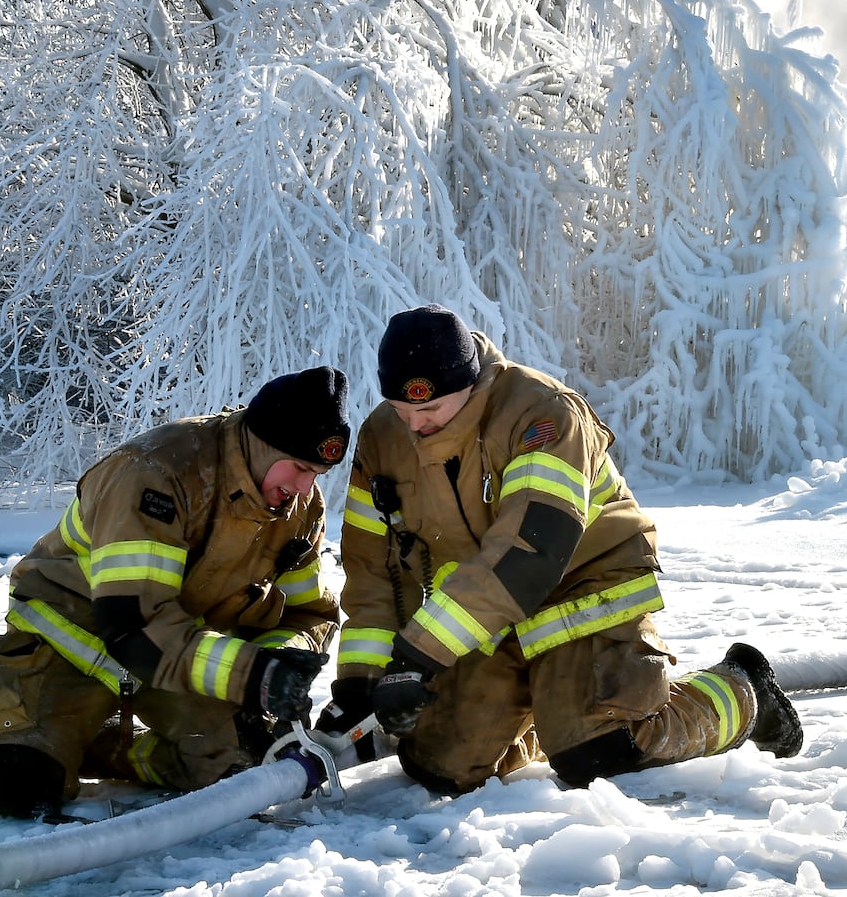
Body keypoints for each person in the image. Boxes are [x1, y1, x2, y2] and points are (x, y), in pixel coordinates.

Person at [316, 305, 802, 793]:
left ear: (467, 384)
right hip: (482, 612)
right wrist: (362, 681)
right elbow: (375, 573)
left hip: (583, 584)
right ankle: (547, 708)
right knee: (436, 766)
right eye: (402, 412)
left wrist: (417, 656)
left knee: (595, 753)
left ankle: (743, 693)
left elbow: (532, 551)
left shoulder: (541, 414)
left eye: (429, 409)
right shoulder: (383, 438)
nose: (415, 426)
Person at [0, 366, 351, 819]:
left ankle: (87, 738)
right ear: (261, 441)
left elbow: (305, 612)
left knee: (246, 763)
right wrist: (253, 675)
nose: (304, 488)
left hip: (180, 659)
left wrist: (281, 664)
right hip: (75, 643)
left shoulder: (298, 506)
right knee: (15, 783)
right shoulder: (155, 474)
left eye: (318, 473)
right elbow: (135, 626)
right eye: (299, 468)